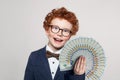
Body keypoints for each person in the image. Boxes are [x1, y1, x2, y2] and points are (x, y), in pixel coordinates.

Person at [24, 7, 86, 80]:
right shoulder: (34, 56)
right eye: (55, 28)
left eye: (65, 30)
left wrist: (78, 75)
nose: (60, 34)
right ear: (47, 30)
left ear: (70, 36)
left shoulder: (74, 59)